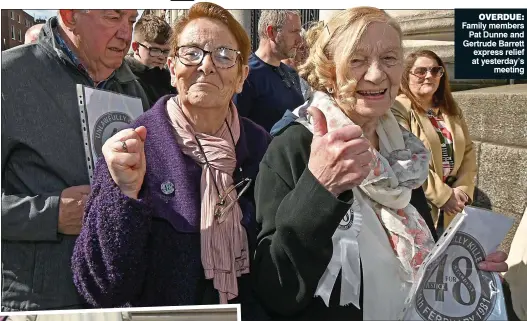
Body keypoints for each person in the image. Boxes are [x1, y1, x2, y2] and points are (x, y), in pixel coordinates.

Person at [252, 7, 508, 321]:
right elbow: (276, 289)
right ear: (330, 71)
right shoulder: (293, 147)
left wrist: (466, 265)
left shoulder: (404, 153)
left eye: (389, 58)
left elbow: (416, 257)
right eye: (356, 60)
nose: (376, 74)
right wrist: (320, 188)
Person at [71, 3, 270, 320]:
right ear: (172, 67)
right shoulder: (134, 146)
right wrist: (124, 195)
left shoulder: (262, 148)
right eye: (192, 53)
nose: (206, 66)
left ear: (242, 75)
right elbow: (100, 289)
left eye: (223, 55)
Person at [1, 9, 148, 311]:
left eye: (131, 21)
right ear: (70, 16)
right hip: (39, 302)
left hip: (116, 299)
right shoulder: (9, 77)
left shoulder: (133, 89)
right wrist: (50, 215)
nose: (125, 33)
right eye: (113, 17)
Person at [392, 49, 477, 232]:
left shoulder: (451, 109)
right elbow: (406, 158)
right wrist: (444, 196)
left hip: (453, 207)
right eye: (421, 71)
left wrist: (463, 189)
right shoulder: (399, 107)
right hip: (419, 204)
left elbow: (468, 151)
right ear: (406, 76)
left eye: (435, 70)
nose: (429, 76)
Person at [233, 10, 305, 132]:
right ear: (271, 32)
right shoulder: (247, 75)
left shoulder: (290, 73)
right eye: (294, 32)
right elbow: (235, 129)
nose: (299, 40)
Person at [125, 14, 177, 106]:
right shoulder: (124, 78)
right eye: (155, 50)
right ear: (136, 48)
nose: (161, 56)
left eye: (165, 51)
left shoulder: (170, 81)